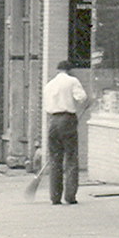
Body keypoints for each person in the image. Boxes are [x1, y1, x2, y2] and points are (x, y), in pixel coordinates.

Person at [43, 60, 87, 205]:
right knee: (71, 158)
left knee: (55, 159)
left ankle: (55, 197)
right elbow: (81, 98)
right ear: (70, 70)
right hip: (67, 119)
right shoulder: (72, 81)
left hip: (53, 120)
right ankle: (70, 196)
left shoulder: (49, 85)